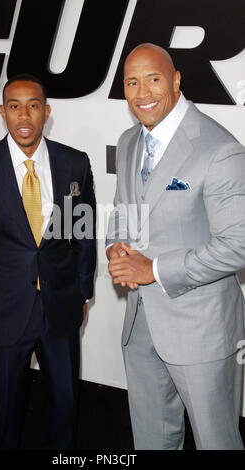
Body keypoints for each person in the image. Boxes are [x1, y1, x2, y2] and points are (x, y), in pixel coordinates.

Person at [106, 43, 245, 450]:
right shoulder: (130, 140)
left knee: (216, 441)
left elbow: (238, 244)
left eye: (153, 79)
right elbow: (121, 209)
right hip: (141, 324)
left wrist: (154, 270)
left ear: (177, 80)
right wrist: (116, 244)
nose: (142, 92)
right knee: (151, 440)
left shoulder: (219, 149)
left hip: (201, 330)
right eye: (132, 82)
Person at [0, 74, 96, 449]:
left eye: (33, 105)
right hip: (3, 312)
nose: (24, 115)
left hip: (60, 312)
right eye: (14, 106)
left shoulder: (73, 163)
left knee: (65, 407)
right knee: (4, 411)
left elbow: (84, 232)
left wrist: (81, 292)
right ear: (3, 112)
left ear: (47, 112)